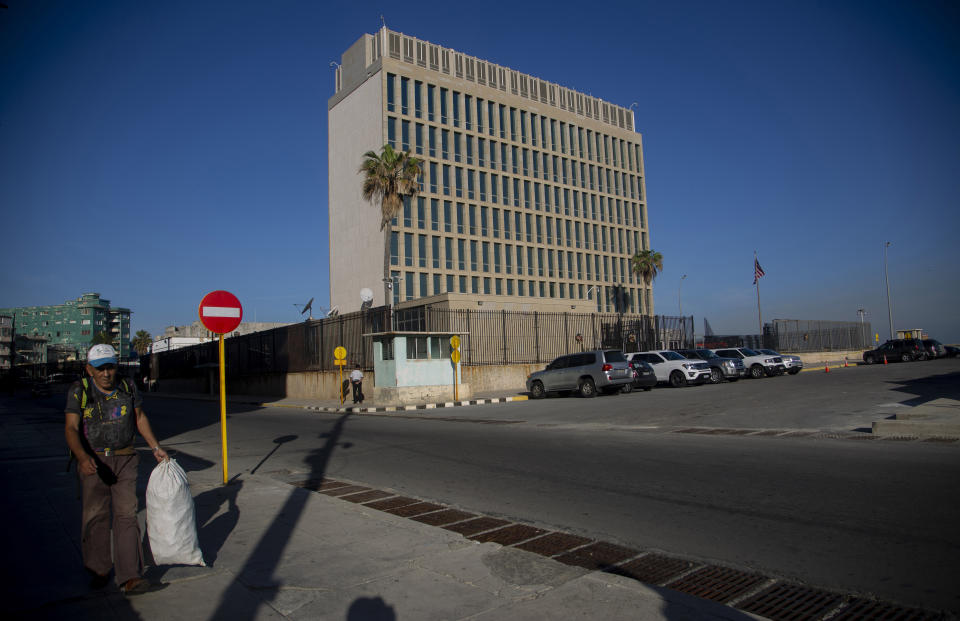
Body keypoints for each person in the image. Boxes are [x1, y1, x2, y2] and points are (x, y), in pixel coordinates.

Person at [64, 344, 169, 594]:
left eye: (110, 367)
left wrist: (155, 447)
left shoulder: (127, 386)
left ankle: (130, 576)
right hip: (94, 463)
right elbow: (70, 428)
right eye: (100, 369)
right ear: (90, 369)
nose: (106, 373)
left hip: (125, 458)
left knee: (127, 515)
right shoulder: (80, 390)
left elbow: (139, 417)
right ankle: (98, 569)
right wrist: (81, 457)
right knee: (96, 516)